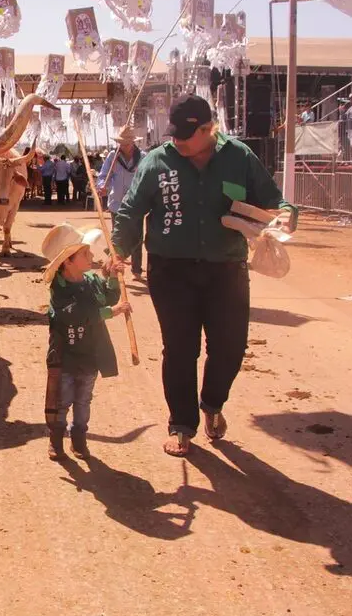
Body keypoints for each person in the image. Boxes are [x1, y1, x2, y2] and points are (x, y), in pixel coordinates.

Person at [111, 95, 297, 457]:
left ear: (208, 129)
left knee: (230, 347)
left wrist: (285, 215)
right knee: (180, 350)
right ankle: (182, 424)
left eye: (186, 135)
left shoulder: (239, 157)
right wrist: (118, 249)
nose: (178, 141)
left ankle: (212, 404)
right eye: (175, 134)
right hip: (170, 271)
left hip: (226, 270)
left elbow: (273, 200)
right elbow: (132, 211)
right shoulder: (157, 161)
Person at [40, 223, 129, 461]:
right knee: (63, 400)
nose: (92, 256)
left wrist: (111, 277)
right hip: (65, 357)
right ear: (68, 262)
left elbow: (108, 297)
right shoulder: (59, 290)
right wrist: (111, 312)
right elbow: (77, 313)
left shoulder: (91, 280)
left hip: (90, 355)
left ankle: (79, 439)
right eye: (85, 253)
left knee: (83, 400)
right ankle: (56, 440)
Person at [97, 127, 145, 279]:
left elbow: (146, 178)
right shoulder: (113, 156)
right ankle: (115, 267)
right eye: (121, 143)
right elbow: (104, 176)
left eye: (127, 143)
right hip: (116, 203)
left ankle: (137, 269)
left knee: (137, 237)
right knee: (117, 237)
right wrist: (102, 186)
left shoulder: (143, 157)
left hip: (135, 203)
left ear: (133, 142)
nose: (124, 146)